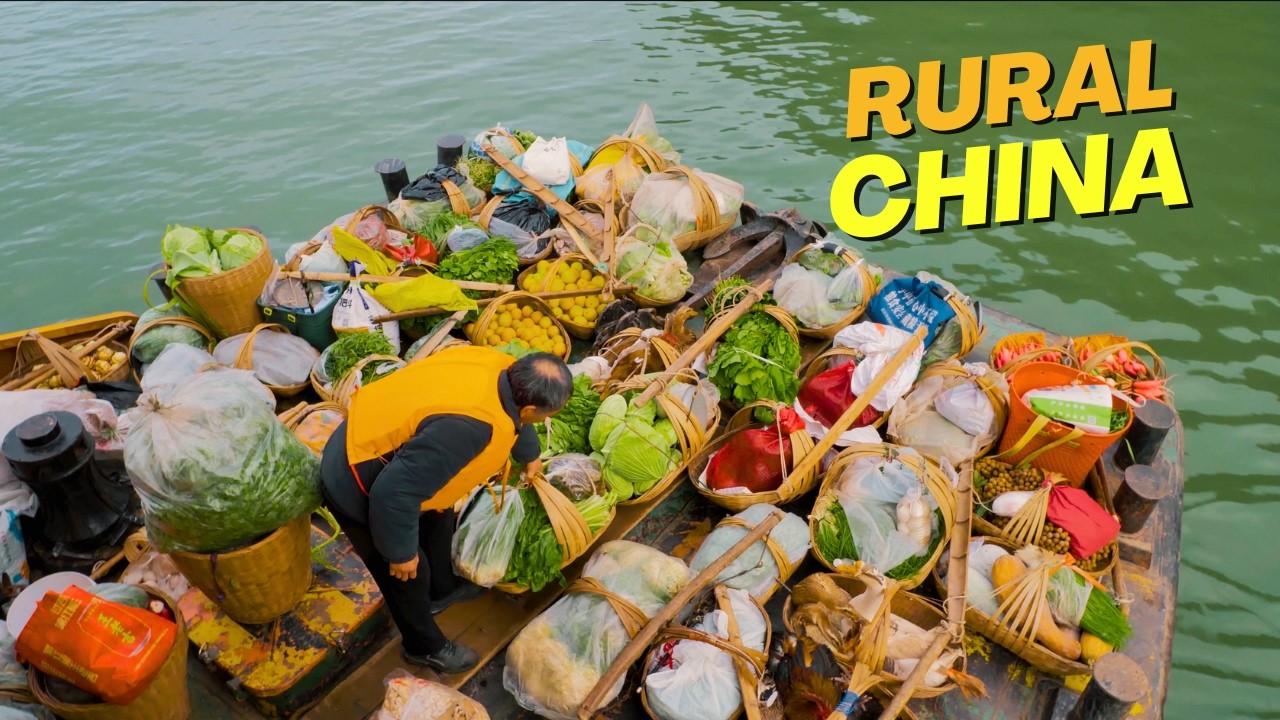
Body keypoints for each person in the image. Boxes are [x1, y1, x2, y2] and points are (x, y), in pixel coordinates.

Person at [320, 345, 572, 674]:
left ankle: (443, 591)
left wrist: (529, 454)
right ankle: (424, 647)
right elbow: (393, 494)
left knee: (439, 522)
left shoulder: (503, 369)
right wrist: (400, 553)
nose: (544, 419)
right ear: (530, 407)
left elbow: (516, 423)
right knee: (408, 574)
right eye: (546, 415)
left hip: (396, 457)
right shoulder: (469, 428)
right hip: (357, 480)